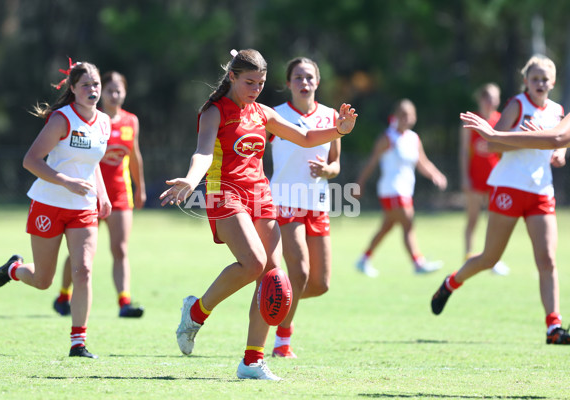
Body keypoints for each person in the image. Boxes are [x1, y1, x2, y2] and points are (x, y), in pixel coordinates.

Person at [159, 49, 357, 380]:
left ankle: (252, 361)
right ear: (232, 77)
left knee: (273, 278)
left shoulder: (263, 113)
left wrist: (340, 130)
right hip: (224, 193)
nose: (256, 89)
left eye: (261, 83)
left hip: (260, 195)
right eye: (249, 82)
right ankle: (196, 312)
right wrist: (191, 181)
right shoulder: (213, 112)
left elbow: (306, 137)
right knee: (253, 263)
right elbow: (203, 154)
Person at [433, 54, 570, 345]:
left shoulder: (558, 111)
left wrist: (558, 155)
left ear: (553, 82)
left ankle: (553, 327)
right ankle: (451, 282)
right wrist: (524, 134)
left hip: (541, 191)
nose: (540, 83)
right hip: (509, 187)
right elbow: (492, 144)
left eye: (545, 79)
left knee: (547, 260)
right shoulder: (518, 105)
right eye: (535, 79)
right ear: (526, 82)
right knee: (489, 257)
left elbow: (557, 147)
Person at [0, 60, 111, 358]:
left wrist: (103, 194)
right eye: (86, 85)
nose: (93, 90)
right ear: (72, 89)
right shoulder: (62, 119)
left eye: (96, 84)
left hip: (83, 207)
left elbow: (92, 164)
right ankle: (15, 269)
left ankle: (78, 342)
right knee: (44, 281)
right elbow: (31, 160)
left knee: (83, 270)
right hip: (48, 203)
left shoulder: (105, 122)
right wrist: (66, 181)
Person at [52, 71, 147, 318]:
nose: (114, 95)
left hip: (120, 194)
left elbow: (134, 156)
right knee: (80, 253)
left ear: (125, 93)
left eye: (119, 90)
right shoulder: (93, 120)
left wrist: (140, 188)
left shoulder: (131, 121)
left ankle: (124, 302)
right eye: (109, 90)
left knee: (120, 249)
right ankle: (63, 295)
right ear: (100, 92)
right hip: (88, 193)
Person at [268, 57, 340, 359]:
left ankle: (272, 300)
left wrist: (327, 171)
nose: (304, 82)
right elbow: (252, 150)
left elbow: (336, 164)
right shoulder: (275, 115)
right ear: (288, 83)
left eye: (309, 77)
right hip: (284, 201)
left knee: (320, 284)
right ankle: (282, 340)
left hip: (317, 205)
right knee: (298, 273)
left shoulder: (331, 116)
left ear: (318, 82)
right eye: (297, 77)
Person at [354, 99, 447, 277]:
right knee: (408, 222)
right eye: (403, 115)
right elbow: (371, 162)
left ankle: (363, 259)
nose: (407, 118)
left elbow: (423, 162)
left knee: (387, 227)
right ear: (395, 116)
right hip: (391, 189)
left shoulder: (413, 138)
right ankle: (418, 262)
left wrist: (436, 174)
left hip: (406, 189)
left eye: (410, 115)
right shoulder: (387, 138)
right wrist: (360, 183)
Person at [459, 83, 509, 276]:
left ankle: (493, 260)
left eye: (494, 97)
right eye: (487, 97)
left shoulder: (501, 120)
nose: (490, 101)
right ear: (480, 98)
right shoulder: (471, 120)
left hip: (496, 178)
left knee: (495, 221)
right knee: (472, 220)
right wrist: (465, 177)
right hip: (474, 179)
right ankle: (467, 257)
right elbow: (464, 151)